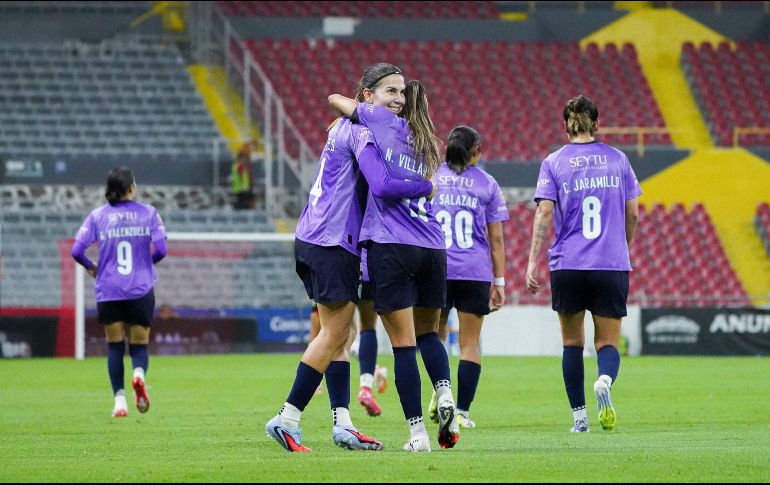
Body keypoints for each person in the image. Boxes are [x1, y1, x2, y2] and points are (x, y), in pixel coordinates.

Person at [264, 63, 434, 453]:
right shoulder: (361, 132)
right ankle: (288, 417)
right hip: (333, 240)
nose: (399, 99)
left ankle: (343, 423)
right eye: (389, 91)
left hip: (315, 235)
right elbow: (381, 184)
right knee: (336, 332)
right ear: (367, 95)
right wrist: (426, 185)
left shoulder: (341, 127)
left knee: (342, 334)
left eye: (402, 92)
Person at [329, 77, 460, 452]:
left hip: (392, 244)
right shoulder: (429, 147)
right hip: (433, 246)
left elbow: (337, 100)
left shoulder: (382, 125)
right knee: (429, 335)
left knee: (402, 346)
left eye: (401, 94)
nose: (397, 99)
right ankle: (446, 393)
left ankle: (418, 435)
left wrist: (362, 105)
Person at [526, 95, 640, 433]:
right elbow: (632, 211)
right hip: (609, 263)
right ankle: (604, 380)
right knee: (607, 343)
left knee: (572, 343)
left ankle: (579, 418)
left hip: (569, 264)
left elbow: (544, 212)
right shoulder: (618, 160)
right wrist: (622, 245)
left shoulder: (554, 162)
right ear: (597, 124)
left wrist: (532, 261)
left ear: (565, 126)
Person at [426, 126, 508, 429]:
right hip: (474, 271)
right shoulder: (487, 184)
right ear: (476, 151)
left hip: (437, 267)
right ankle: (461, 412)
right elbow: (496, 240)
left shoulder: (432, 178)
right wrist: (498, 282)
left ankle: (439, 391)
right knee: (470, 345)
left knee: (436, 336)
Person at [71, 166, 167, 418]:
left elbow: (76, 251)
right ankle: (138, 375)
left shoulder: (97, 216)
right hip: (140, 289)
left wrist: (92, 268)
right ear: (132, 188)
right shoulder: (149, 213)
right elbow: (162, 249)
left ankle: (120, 402)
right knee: (139, 346)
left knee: (114, 346)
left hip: (109, 289)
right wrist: (145, 264)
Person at [231, 144, 256, 210]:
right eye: (245, 158)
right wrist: (245, 186)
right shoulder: (240, 166)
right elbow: (242, 177)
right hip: (242, 188)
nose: (246, 159)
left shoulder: (236, 165)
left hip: (240, 188)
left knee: (242, 202)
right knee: (243, 203)